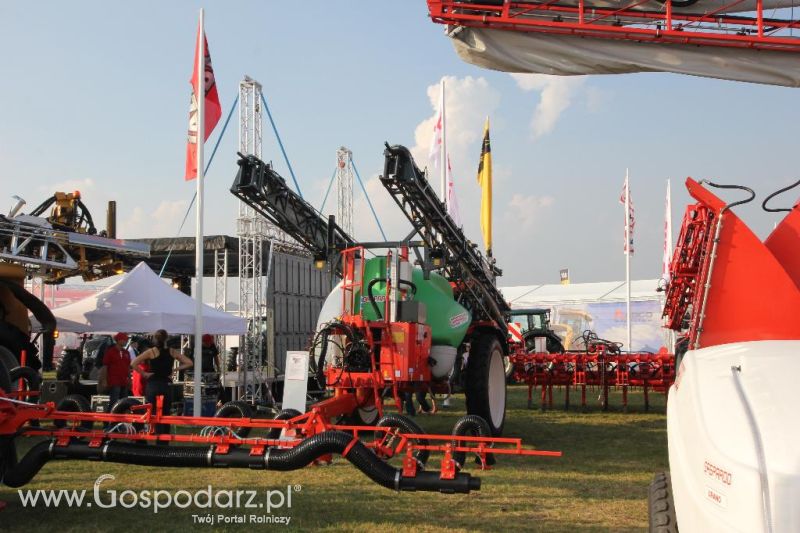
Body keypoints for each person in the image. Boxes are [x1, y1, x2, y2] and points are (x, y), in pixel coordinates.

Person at [131, 329, 193, 444]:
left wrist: (144, 374)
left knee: (151, 413)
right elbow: (189, 362)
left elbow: (133, 363)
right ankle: (163, 441)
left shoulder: (151, 351)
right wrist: (175, 369)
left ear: (155, 339)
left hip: (153, 384)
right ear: (166, 339)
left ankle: (147, 437)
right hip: (165, 384)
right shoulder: (172, 351)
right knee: (165, 414)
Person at [103, 332, 131, 411]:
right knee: (114, 401)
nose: (126, 341)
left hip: (124, 380)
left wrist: (129, 379)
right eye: (124, 340)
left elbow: (128, 366)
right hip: (114, 380)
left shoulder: (126, 352)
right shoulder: (110, 351)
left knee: (124, 401)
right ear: (119, 340)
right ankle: (110, 420)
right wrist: (105, 380)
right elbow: (105, 366)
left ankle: (122, 418)